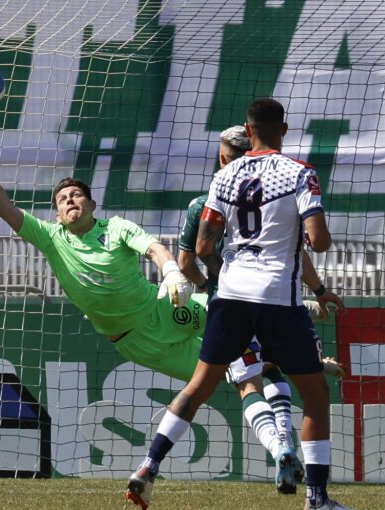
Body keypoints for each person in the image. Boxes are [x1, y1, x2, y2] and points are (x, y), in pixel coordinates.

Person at [0, 121, 328, 492]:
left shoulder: (116, 227)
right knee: (232, 376)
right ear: (57, 215)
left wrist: (173, 273)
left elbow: (155, 249)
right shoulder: (51, 238)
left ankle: (284, 441)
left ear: (92, 203)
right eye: (62, 200)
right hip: (140, 341)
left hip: (166, 307)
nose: (70, 200)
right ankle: (282, 446)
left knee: (245, 327)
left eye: (76, 195)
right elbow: (6, 209)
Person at [126, 98, 351, 510]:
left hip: (229, 295)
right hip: (276, 298)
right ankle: (317, 498)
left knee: (198, 387)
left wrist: (230, 265)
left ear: (248, 132)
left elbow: (203, 245)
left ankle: (147, 467)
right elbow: (317, 240)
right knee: (315, 394)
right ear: (283, 129)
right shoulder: (300, 173)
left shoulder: (225, 177)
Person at [178, 125, 346, 465]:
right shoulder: (282, 187)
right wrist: (320, 290)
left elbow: (187, 260)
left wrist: (204, 286)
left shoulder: (207, 199)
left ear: (223, 157)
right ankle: (288, 441)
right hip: (277, 298)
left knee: (247, 383)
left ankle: (278, 449)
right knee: (275, 370)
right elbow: (303, 250)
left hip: (229, 302)